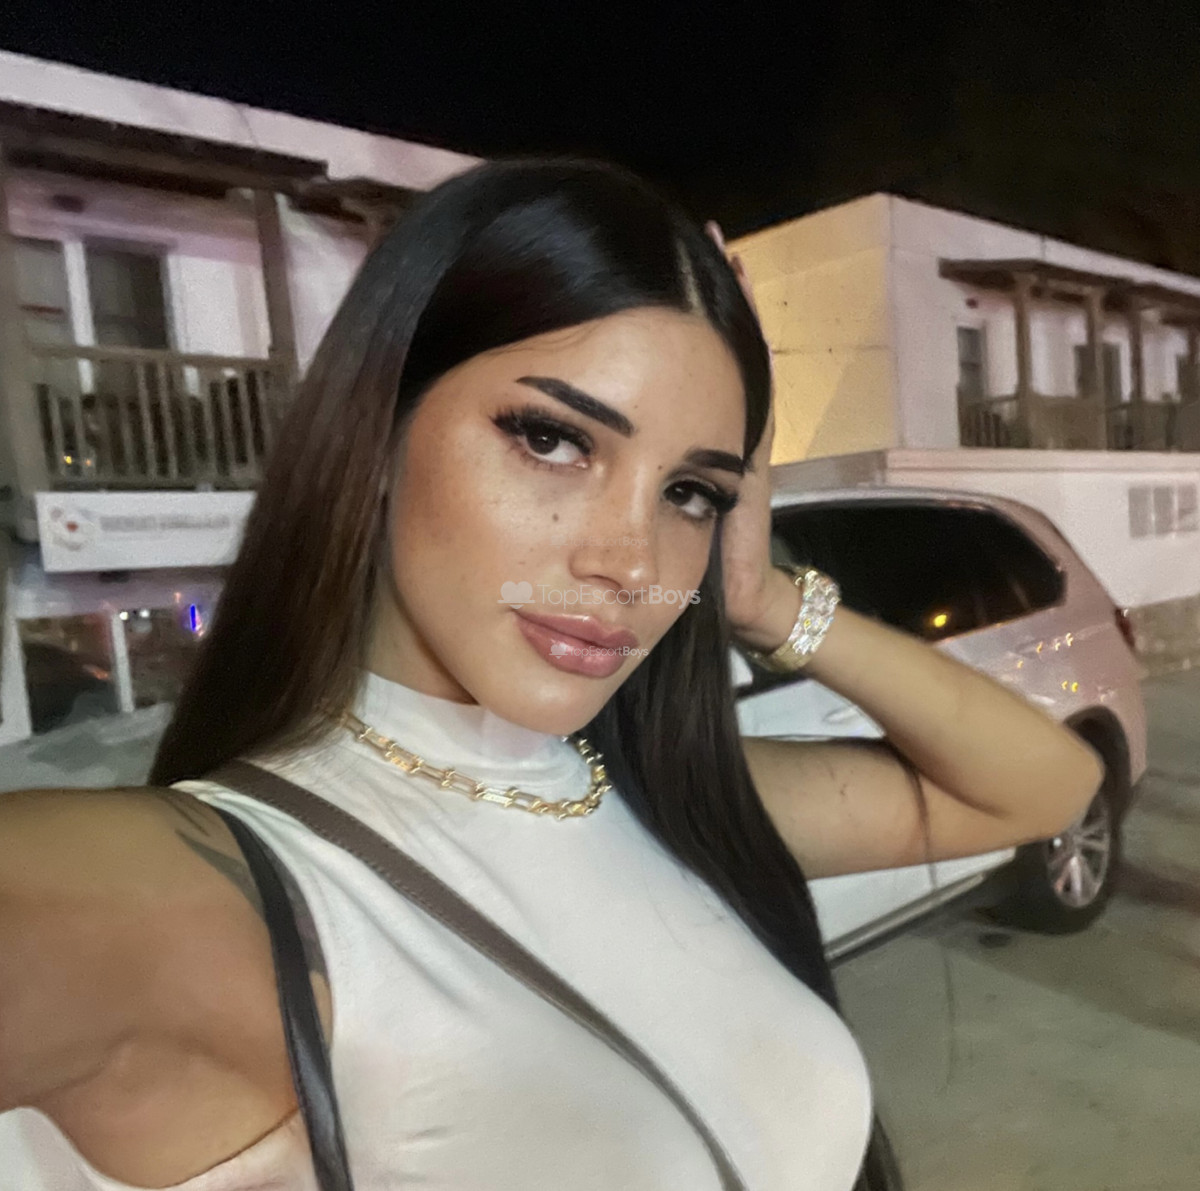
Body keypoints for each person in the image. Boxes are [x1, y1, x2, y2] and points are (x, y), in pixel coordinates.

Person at [0, 158, 1104, 1191]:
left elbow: (1044, 786)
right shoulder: (204, 895)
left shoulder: (658, 798)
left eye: (690, 493)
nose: (632, 562)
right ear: (377, 429)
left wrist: (763, 598)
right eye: (552, 439)